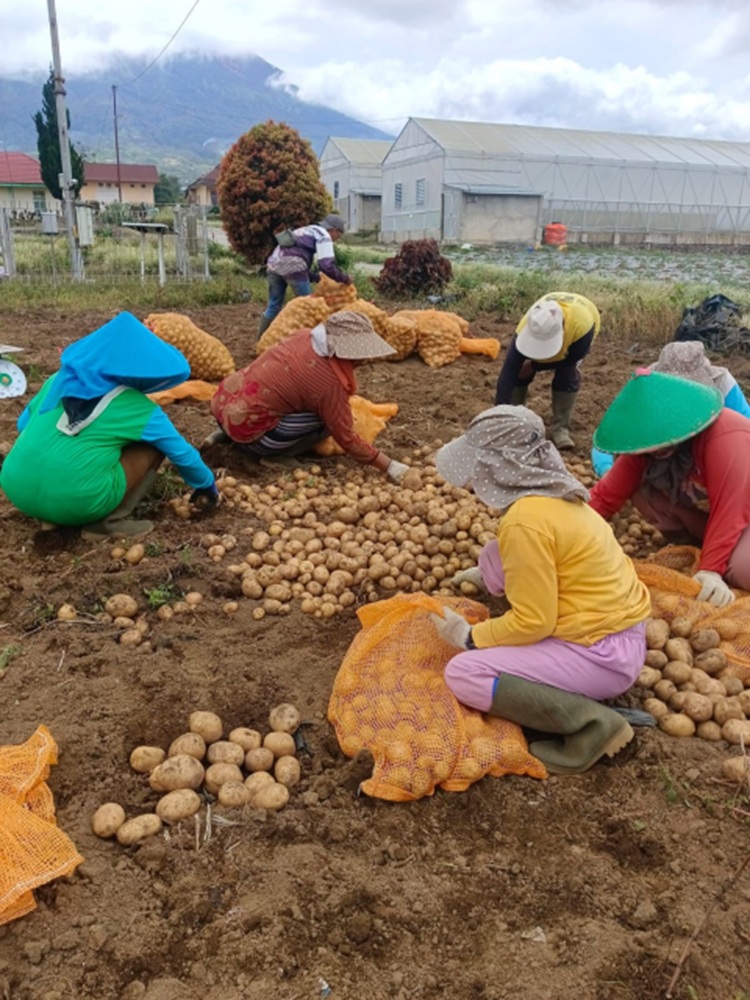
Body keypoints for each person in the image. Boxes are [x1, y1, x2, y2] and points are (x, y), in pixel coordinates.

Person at [428, 404, 651, 775]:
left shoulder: (524, 522)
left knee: (465, 673)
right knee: (494, 554)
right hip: (616, 634)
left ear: (497, 466)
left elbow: (535, 622)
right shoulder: (559, 497)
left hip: (599, 653)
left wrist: (470, 636)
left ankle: (593, 724)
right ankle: (577, 695)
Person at [0, 312, 218, 539]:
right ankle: (107, 523)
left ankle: (49, 515)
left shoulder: (57, 380)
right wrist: (206, 483)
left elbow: (22, 424)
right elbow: (181, 453)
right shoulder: (138, 407)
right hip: (77, 501)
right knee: (153, 445)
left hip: (16, 487)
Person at [589, 369, 750, 607]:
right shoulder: (647, 443)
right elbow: (605, 496)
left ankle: (722, 556)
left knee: (743, 570)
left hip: (741, 511)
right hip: (712, 512)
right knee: (638, 485)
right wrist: (565, 533)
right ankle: (696, 546)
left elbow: (731, 508)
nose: (655, 450)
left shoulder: (726, 437)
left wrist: (710, 569)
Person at [209, 310, 415, 483]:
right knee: (330, 420)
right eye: (360, 353)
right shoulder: (329, 384)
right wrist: (390, 466)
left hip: (223, 404)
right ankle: (274, 455)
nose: (364, 359)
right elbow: (346, 438)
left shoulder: (305, 336)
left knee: (283, 398)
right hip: (253, 431)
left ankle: (226, 434)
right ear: (346, 351)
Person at [591, 339, 750, 477]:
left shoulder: (722, 383)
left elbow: (746, 430)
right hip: (668, 458)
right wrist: (607, 470)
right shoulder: (648, 386)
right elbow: (611, 437)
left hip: (711, 454)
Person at [494, 291, 601, 450]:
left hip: (581, 322)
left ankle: (561, 429)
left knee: (567, 374)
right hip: (550, 310)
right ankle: (513, 420)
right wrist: (498, 415)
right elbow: (508, 371)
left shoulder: (582, 327)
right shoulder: (527, 325)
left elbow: (571, 359)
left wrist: (534, 366)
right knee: (518, 372)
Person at [258, 213, 352, 341]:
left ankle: (261, 340)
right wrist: (344, 278)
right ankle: (312, 344)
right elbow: (326, 265)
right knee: (310, 307)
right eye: (338, 236)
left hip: (273, 264)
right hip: (294, 266)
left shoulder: (306, 230)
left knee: (273, 305)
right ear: (334, 230)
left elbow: (292, 256)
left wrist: (316, 277)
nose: (336, 239)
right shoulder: (324, 235)